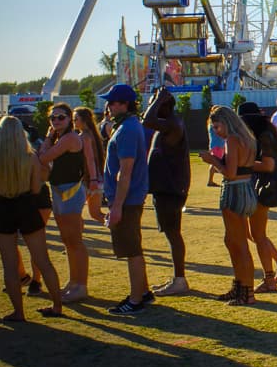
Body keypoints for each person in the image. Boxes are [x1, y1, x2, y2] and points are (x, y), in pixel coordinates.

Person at [0, 116, 64, 321]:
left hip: (3, 206)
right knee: (43, 260)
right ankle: (57, 305)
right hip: (27, 204)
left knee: (10, 265)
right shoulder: (30, 157)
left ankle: (19, 312)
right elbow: (37, 188)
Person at [98, 84, 153, 315]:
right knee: (133, 247)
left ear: (125, 104)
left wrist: (117, 206)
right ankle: (143, 291)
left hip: (128, 199)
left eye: (113, 102)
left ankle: (136, 299)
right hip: (127, 198)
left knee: (131, 250)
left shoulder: (128, 129)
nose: (108, 107)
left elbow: (125, 171)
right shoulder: (127, 126)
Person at [199, 106, 258, 306]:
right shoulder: (247, 139)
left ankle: (246, 292)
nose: (216, 131)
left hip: (234, 191)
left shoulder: (232, 140)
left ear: (227, 122)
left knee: (239, 244)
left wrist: (212, 160)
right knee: (232, 241)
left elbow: (230, 172)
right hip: (246, 190)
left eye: (217, 126)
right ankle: (240, 287)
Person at [36, 102, 94, 302]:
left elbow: (43, 158)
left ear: (70, 119)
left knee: (74, 240)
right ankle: (74, 282)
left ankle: (81, 285)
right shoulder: (61, 138)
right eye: (53, 118)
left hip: (70, 192)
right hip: (59, 190)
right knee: (67, 241)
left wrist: (47, 137)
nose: (56, 121)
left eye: (61, 117)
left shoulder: (69, 138)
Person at [238, 103, 277, 293]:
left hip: (261, 188)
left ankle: (269, 279)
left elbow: (268, 165)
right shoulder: (262, 133)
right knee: (252, 234)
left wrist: (243, 164)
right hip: (256, 186)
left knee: (258, 236)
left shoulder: (264, 136)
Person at [142, 88, 191, 296]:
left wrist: (158, 99)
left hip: (170, 189)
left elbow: (147, 121)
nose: (150, 105)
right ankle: (177, 278)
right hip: (166, 188)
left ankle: (180, 280)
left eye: (154, 102)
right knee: (171, 233)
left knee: (173, 233)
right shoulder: (169, 124)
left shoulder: (172, 124)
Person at [206, 114, 226, 187]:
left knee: (215, 162)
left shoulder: (211, 124)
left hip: (217, 145)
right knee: (215, 162)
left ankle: (210, 181)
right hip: (217, 145)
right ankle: (210, 181)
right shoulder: (214, 125)